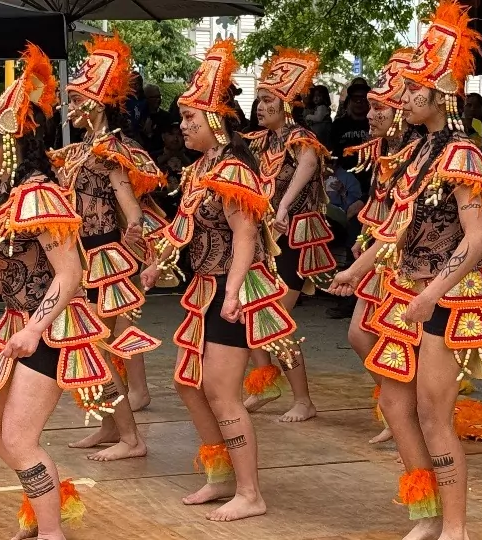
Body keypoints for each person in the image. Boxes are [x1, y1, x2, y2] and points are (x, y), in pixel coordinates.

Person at [329, 4, 482, 538]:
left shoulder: (463, 155)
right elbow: (396, 227)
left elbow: (478, 240)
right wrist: (356, 270)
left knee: (431, 412)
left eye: (412, 90)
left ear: (441, 95)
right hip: (401, 288)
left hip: (446, 295)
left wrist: (434, 294)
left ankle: (456, 526)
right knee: (395, 405)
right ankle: (425, 515)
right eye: (402, 90)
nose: (402, 99)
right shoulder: (414, 151)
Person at [0, 44, 99, 540]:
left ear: (11, 142)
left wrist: (35, 328)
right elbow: (3, 264)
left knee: (18, 435)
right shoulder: (3, 195)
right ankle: (44, 510)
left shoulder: (39, 194)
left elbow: (69, 273)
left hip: (48, 330)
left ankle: (51, 532)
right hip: (20, 325)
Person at [140, 38, 298, 522]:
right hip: (205, 289)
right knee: (189, 385)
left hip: (234, 289)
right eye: (183, 117)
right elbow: (184, 229)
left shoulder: (231, 168)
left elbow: (246, 237)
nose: (181, 125)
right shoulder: (200, 169)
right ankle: (220, 474)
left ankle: (251, 492)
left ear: (214, 121)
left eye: (190, 118)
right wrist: (152, 255)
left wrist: (231, 293)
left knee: (221, 392)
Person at [51, 33, 165, 459]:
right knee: (89, 345)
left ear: (94, 104)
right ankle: (107, 426)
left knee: (97, 347)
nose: (69, 105)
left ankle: (132, 439)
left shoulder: (110, 152)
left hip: (106, 259)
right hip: (80, 256)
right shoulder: (80, 150)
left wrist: (136, 228)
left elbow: (129, 205)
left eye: (77, 98)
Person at [337, 48, 426, 443]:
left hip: (406, 259)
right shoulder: (383, 151)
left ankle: (409, 412)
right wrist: (362, 239)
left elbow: (405, 217)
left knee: (398, 340)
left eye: (379, 109)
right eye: (370, 108)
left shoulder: (416, 154)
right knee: (360, 334)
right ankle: (397, 406)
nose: (369, 115)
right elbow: (379, 205)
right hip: (381, 252)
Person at [240, 48, 333, 423]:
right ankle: (266, 384)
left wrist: (283, 207)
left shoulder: (301, 138)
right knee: (251, 315)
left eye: (266, 100)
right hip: (267, 240)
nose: (259, 106)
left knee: (274, 318)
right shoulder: (262, 141)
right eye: (258, 100)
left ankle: (304, 399)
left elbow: (308, 165)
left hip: (295, 240)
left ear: (285, 104)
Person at [330, 81, 372, 193]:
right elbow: (330, 153)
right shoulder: (338, 125)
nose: (359, 102)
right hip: (343, 181)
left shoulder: (375, 124)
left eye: (363, 98)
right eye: (355, 98)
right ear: (349, 101)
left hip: (369, 179)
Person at [141, 84, 171, 156]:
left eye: (159, 96)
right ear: (146, 98)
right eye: (154, 97)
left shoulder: (167, 117)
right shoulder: (139, 117)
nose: (158, 99)